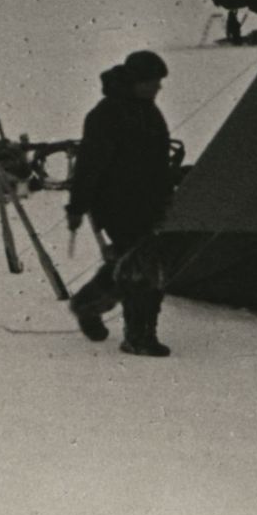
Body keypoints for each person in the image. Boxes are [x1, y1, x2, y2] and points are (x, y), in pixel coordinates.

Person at [64, 48, 177, 357]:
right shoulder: (105, 115)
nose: (158, 87)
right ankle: (138, 336)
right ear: (135, 81)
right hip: (117, 204)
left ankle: (88, 304)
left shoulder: (148, 110)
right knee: (142, 268)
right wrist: (77, 207)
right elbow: (89, 166)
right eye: (152, 81)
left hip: (150, 201)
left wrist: (167, 191)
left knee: (129, 262)